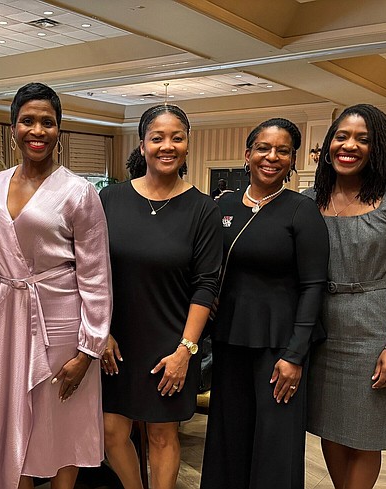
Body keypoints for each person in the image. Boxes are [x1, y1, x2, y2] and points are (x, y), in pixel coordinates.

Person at [0, 82, 112, 489]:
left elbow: (97, 276)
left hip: (60, 325)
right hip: (2, 322)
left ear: (58, 131)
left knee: (59, 426)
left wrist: (89, 349)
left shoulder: (78, 191)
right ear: (12, 127)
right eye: (28, 120)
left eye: (47, 122)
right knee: (5, 426)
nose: (38, 130)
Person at [304, 104, 386, 489]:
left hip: (373, 324)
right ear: (329, 144)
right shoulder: (311, 199)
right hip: (322, 326)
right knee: (331, 425)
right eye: (341, 136)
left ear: (380, 148)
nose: (349, 145)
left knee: (364, 432)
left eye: (363, 139)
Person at [200, 118, 329, 489]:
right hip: (230, 338)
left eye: (283, 151)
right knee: (229, 433)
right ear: (248, 154)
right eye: (263, 148)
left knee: (275, 441)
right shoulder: (222, 208)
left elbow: (314, 286)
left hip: (280, 345)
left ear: (293, 160)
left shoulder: (301, 211)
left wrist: (295, 355)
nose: (271, 157)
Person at [100, 104, 221, 489]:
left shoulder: (203, 209)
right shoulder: (110, 200)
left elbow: (206, 284)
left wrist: (186, 349)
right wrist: (99, 331)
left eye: (177, 137)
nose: (167, 146)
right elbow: (92, 272)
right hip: (116, 342)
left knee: (162, 437)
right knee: (111, 434)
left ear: (188, 145)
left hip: (170, 343)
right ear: (142, 145)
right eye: (157, 138)